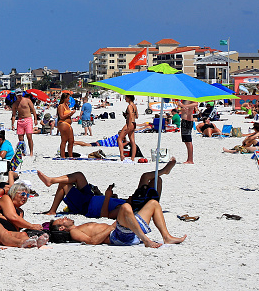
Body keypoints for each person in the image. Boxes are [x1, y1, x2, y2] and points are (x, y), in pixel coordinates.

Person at [36, 157, 176, 216]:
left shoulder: (125, 208)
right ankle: (51, 180)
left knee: (64, 185)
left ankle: (52, 210)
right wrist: (108, 196)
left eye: (132, 197)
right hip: (92, 198)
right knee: (79, 175)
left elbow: (105, 215)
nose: (129, 196)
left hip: (86, 206)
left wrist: (108, 198)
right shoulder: (126, 203)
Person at [51, 200, 186, 248]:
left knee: (153, 204)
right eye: (61, 220)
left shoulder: (79, 227)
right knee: (126, 207)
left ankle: (166, 237)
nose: (65, 217)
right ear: (62, 228)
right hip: (118, 236)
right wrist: (110, 227)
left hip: (124, 232)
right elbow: (92, 241)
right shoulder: (74, 232)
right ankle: (146, 240)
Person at [0, 182, 48, 248]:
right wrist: (32, 226)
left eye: (27, 195)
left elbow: (17, 229)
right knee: (5, 235)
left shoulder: (21, 212)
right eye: (23, 194)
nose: (25, 197)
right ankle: (21, 243)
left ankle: (32, 242)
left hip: (6, 231)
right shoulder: (6, 198)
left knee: (22, 234)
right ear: (13, 193)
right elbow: (13, 217)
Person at [11, 90, 39, 156]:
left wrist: (35, 119)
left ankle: (31, 152)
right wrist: (12, 124)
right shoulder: (15, 104)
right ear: (16, 95)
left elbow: (33, 110)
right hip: (20, 120)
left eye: (20, 94)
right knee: (20, 138)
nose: (19, 96)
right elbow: (13, 115)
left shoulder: (27, 100)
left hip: (28, 119)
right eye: (18, 95)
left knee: (29, 136)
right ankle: (23, 152)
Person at [177, 99, 198, 164]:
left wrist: (184, 105)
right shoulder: (183, 99)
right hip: (184, 120)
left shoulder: (189, 97)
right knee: (186, 141)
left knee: (188, 141)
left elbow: (196, 104)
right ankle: (189, 159)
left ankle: (190, 160)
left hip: (188, 120)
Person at [57, 92, 76, 158]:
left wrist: (71, 113)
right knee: (64, 140)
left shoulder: (67, 106)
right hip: (63, 123)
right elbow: (61, 116)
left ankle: (70, 156)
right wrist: (70, 113)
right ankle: (63, 156)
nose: (69, 99)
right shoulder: (61, 106)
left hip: (68, 124)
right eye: (68, 98)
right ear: (64, 98)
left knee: (71, 140)